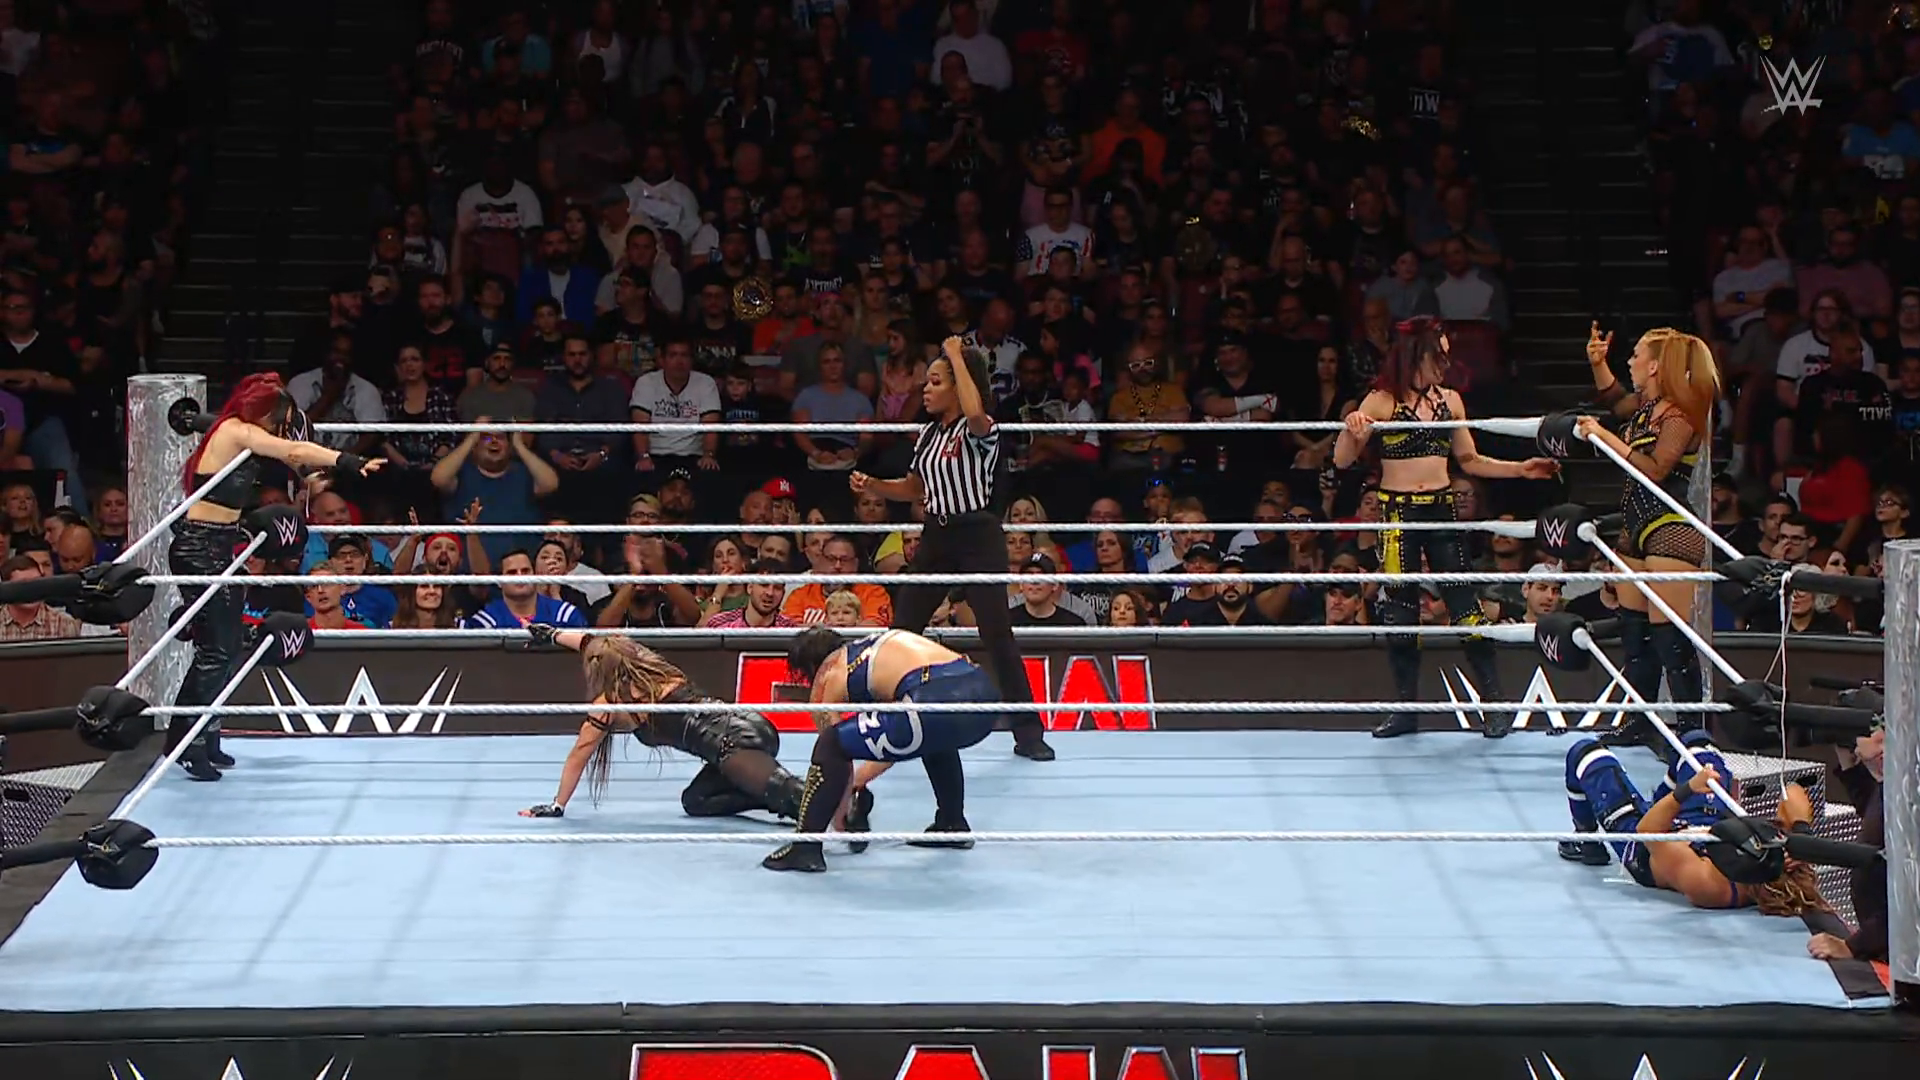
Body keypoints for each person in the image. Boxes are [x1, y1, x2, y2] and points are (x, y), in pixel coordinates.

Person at [1333, 319, 1558, 739]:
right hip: (1398, 515)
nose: (1446, 363)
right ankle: (1406, 711)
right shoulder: (1381, 402)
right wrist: (1353, 429)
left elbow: (1470, 460)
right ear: (1416, 355)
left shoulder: (1450, 401)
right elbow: (1342, 460)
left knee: (1465, 606)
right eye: (1439, 355)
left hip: (1441, 510)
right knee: (1401, 613)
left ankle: (1494, 706)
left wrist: (1520, 470)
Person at [849, 336, 1055, 761]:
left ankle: (1028, 731)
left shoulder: (981, 429)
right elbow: (914, 488)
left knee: (995, 633)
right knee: (903, 629)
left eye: (935, 382)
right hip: (937, 535)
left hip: (977, 534)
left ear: (958, 387)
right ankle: (886, 723)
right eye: (926, 382)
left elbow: (975, 412)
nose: (925, 389)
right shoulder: (927, 436)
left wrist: (958, 356)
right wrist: (874, 486)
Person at [174, 373, 383, 780]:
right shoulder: (236, 432)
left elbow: (290, 454)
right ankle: (186, 743)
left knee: (224, 648)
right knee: (215, 651)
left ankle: (206, 737)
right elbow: (292, 448)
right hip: (199, 549)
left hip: (219, 548)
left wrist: (308, 475)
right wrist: (349, 461)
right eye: (278, 419)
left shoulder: (238, 434)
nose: (278, 427)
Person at [1576, 324, 1721, 745]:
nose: (1630, 361)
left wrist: (1605, 437)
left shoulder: (1681, 413)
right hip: (1634, 528)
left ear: (1655, 366)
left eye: (1636, 354)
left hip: (1669, 528)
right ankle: (1641, 722)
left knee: (1670, 640)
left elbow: (1657, 469)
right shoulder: (1645, 408)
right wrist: (1598, 363)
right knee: (1635, 638)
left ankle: (1692, 732)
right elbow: (1614, 398)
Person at [766, 626, 1005, 872]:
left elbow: (837, 755)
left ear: (809, 666)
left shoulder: (829, 672)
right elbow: (900, 737)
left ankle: (805, 848)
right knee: (936, 736)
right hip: (983, 695)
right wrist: (857, 785)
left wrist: (843, 812)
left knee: (830, 745)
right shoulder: (877, 651)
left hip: (932, 700)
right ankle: (952, 823)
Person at [519, 628, 805, 822]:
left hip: (733, 745)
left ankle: (814, 802)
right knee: (696, 801)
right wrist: (554, 635)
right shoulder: (652, 665)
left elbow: (579, 753)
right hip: (751, 724)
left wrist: (558, 804)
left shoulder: (610, 704)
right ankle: (768, 796)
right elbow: (595, 644)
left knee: (797, 797)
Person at [1560, 732, 1825, 915]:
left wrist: (1687, 790)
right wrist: (1802, 836)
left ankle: (1586, 841)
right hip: (1704, 822)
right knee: (1698, 746)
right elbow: (1793, 791)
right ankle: (1667, 793)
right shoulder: (1778, 858)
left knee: (1586, 754)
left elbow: (1648, 832)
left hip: (1647, 845)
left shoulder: (1710, 886)